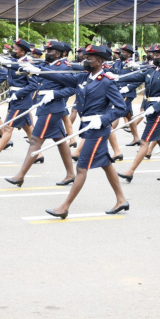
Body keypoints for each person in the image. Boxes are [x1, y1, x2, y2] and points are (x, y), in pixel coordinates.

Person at [24, 45, 129, 218]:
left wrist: (102, 119)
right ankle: (121, 200)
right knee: (105, 163)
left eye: (90, 58)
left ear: (100, 61)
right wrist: (37, 71)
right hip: (87, 128)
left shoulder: (106, 82)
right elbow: (60, 78)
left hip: (98, 130)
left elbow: (121, 108)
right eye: (85, 57)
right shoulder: (83, 78)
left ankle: (64, 207)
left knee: (81, 168)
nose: (85, 60)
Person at [0, 40, 76, 187]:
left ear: (59, 53)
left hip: (52, 108)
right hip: (46, 107)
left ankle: (20, 176)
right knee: (61, 140)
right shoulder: (46, 65)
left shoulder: (65, 67)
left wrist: (55, 94)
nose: (47, 52)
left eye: (50, 51)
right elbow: (26, 67)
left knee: (35, 141)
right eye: (47, 50)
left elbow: (72, 88)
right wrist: (5, 63)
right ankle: (70, 174)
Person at [117, 45, 160, 183]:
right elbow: (135, 76)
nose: (154, 56)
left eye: (158, 54)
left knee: (144, 141)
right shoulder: (151, 70)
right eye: (153, 53)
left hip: (159, 112)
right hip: (151, 109)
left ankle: (130, 171)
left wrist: (155, 107)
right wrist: (116, 78)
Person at [0, 38, 39, 165]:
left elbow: (33, 85)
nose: (13, 50)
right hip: (15, 98)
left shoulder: (28, 63)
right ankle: (38, 154)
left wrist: (18, 94)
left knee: (7, 128)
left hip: (21, 100)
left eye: (15, 49)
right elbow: (3, 60)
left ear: (23, 52)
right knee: (28, 128)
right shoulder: (15, 61)